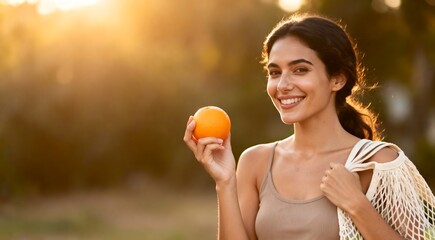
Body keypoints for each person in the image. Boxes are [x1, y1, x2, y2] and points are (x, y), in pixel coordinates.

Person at [183, 14, 435, 240]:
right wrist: (225, 182)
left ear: (337, 78)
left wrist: (357, 204)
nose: (282, 85)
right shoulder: (255, 162)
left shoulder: (378, 162)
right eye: (274, 72)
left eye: (300, 69)